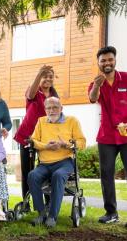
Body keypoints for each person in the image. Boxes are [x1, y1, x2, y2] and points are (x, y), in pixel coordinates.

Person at [28, 97, 86, 228]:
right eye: (48, 108)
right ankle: (41, 214)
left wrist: (66, 144)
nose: (51, 110)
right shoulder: (41, 121)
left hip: (64, 162)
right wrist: (46, 146)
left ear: (61, 108)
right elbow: (34, 141)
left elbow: (82, 143)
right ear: (45, 109)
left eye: (55, 107)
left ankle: (52, 216)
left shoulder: (72, 121)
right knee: (32, 175)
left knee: (58, 175)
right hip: (44, 163)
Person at [88, 46, 127, 224]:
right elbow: (93, 98)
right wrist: (97, 85)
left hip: (126, 135)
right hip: (106, 137)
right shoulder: (96, 82)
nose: (107, 63)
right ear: (98, 63)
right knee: (106, 174)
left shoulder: (125, 78)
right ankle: (111, 213)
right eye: (103, 60)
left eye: (109, 59)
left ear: (115, 60)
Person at [14, 65, 58, 200]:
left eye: (50, 77)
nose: (48, 79)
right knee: (28, 170)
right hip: (28, 136)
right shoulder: (34, 90)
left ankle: (48, 201)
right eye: (45, 76)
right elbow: (30, 94)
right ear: (39, 78)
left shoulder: (54, 95)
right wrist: (39, 73)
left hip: (46, 137)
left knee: (47, 167)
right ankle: (26, 202)